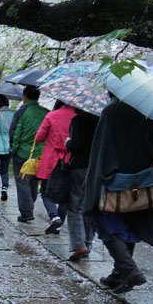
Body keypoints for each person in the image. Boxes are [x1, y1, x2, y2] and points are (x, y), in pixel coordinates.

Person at [82, 99, 153, 294]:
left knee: (106, 222)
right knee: (130, 222)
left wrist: (95, 180)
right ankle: (119, 274)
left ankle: (129, 269)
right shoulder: (149, 112)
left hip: (113, 178)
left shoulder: (112, 111)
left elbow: (103, 148)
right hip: (141, 179)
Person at [34, 100, 76, 234]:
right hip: (69, 159)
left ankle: (54, 216)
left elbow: (39, 138)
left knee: (45, 191)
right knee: (65, 193)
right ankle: (59, 223)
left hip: (51, 159)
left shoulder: (52, 115)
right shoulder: (78, 117)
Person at [9, 85, 50, 223]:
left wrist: (13, 150)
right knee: (33, 182)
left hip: (22, 153)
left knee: (22, 182)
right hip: (40, 154)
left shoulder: (21, 112)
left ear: (25, 96)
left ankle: (26, 213)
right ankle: (29, 207)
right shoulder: (46, 112)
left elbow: (15, 132)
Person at [64, 107, 99, 261]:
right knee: (89, 206)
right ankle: (88, 243)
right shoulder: (100, 119)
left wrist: (68, 142)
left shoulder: (79, 120)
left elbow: (76, 144)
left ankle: (79, 245)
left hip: (79, 166)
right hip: (96, 167)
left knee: (75, 206)